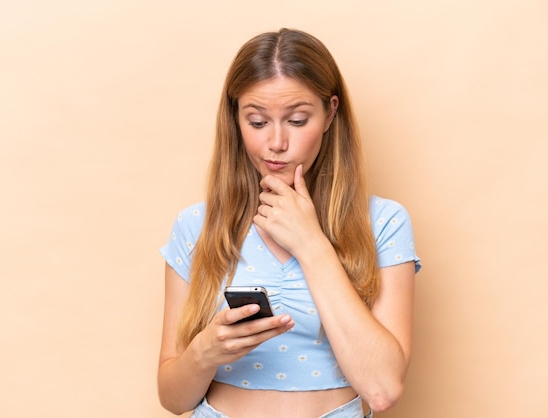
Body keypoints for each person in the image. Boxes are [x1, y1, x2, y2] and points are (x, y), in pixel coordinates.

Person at [158, 28, 421, 418]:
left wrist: (311, 243)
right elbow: (172, 399)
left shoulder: (383, 223)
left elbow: (382, 389)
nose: (276, 143)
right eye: (257, 122)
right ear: (235, 118)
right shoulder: (196, 226)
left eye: (297, 120)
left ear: (331, 112)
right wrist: (204, 352)